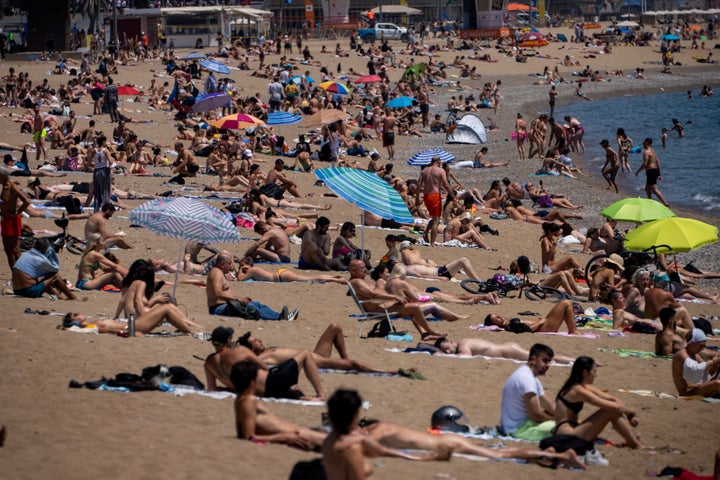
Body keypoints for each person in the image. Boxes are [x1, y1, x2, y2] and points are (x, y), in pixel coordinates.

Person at [231, 360, 326, 448]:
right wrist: (282, 437)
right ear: (252, 383)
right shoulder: (248, 401)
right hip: (301, 436)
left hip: (302, 432)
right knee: (334, 430)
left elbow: (243, 432)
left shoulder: (240, 400)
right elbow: (248, 437)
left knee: (332, 424)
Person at [554, 356, 645, 449]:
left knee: (610, 409)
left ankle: (632, 442)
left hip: (574, 428)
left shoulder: (581, 385)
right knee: (610, 410)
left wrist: (629, 414)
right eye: (594, 371)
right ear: (585, 372)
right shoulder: (577, 390)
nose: (595, 375)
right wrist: (631, 412)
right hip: (568, 436)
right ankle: (635, 444)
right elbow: (614, 408)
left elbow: (613, 399)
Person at [237, 323, 398, 374]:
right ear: (251, 349)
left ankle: (344, 357)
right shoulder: (261, 358)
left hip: (314, 355)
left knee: (334, 327)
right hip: (314, 362)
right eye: (255, 341)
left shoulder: (267, 351)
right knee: (354, 364)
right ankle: (389, 372)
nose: (259, 340)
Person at [349, 259, 445, 340]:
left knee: (412, 305)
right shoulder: (357, 282)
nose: (365, 269)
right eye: (361, 268)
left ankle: (425, 333)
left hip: (382, 306)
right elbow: (373, 294)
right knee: (414, 307)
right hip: (377, 310)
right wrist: (395, 297)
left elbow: (377, 292)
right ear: (353, 270)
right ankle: (429, 332)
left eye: (364, 267)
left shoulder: (363, 281)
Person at [207, 252, 297, 320]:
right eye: (229, 264)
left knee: (255, 304)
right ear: (222, 264)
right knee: (251, 307)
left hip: (226, 305)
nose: (231, 267)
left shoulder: (218, 272)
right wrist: (237, 298)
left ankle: (280, 316)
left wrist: (241, 299)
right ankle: (279, 318)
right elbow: (218, 293)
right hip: (219, 309)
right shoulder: (216, 273)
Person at [500, 344, 557, 441]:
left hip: (519, 425)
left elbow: (549, 405)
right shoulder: (527, 379)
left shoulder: (529, 375)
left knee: (566, 422)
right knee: (564, 428)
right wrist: (559, 420)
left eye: (549, 362)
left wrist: (567, 417)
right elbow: (535, 414)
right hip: (518, 430)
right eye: (545, 361)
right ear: (533, 359)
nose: (548, 365)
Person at [11, 238, 83, 300]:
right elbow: (54, 270)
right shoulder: (40, 260)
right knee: (55, 276)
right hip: (28, 291)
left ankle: (58, 297)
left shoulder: (25, 254)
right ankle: (72, 296)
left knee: (45, 280)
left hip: (16, 290)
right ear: (44, 249)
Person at [434, 337, 574, 364]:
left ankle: (575, 360)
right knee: (545, 358)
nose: (448, 352)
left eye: (447, 348)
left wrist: (441, 356)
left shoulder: (463, 345)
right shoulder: (464, 343)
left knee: (548, 358)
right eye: (445, 351)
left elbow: (465, 357)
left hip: (508, 351)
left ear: (451, 342)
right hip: (507, 349)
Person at [416, 156, 454, 246]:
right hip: (435, 196)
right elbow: (447, 185)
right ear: (438, 161)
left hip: (426, 196)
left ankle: (426, 231)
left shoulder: (424, 171)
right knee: (436, 220)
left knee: (433, 218)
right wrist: (453, 196)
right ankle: (432, 243)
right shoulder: (441, 171)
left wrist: (417, 198)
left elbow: (418, 185)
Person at [672, 329, 720, 397]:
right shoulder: (682, 355)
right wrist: (713, 361)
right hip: (687, 392)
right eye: (701, 346)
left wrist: (716, 364)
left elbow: (707, 373)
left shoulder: (695, 355)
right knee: (717, 383)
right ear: (692, 343)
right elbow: (696, 369)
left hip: (696, 387)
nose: (702, 349)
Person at [485, 300, 580, 335]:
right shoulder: (510, 325)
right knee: (566, 303)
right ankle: (573, 330)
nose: (500, 317)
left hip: (544, 323)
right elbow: (528, 330)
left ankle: (573, 329)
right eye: (497, 318)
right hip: (545, 327)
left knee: (566, 304)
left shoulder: (508, 323)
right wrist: (541, 322)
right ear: (495, 324)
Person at [399, 241, 481, 280]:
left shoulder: (408, 265)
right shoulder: (408, 269)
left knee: (463, 261)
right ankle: (480, 282)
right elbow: (420, 275)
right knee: (463, 260)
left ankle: (479, 282)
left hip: (441, 271)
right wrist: (439, 278)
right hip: (440, 273)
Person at [0, 167, 30, 268]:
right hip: (6, 219)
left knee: (14, 249)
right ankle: (15, 274)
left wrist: (17, 212)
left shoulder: (11, 185)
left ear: (2, 175)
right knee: (8, 249)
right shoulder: (5, 186)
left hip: (11, 219)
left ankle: (23, 273)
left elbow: (26, 201)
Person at [636, 138, 670, 207]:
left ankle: (666, 204)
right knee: (647, 188)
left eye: (644, 142)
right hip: (653, 171)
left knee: (654, 190)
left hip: (651, 171)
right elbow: (658, 163)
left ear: (647, 143)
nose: (643, 143)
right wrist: (659, 174)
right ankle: (650, 203)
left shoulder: (646, 152)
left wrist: (638, 171)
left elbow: (645, 164)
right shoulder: (653, 151)